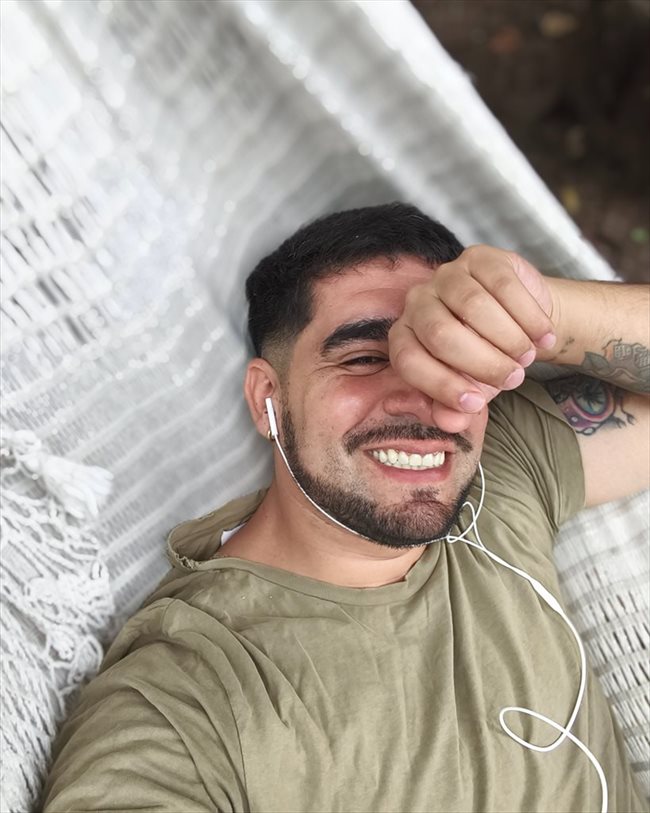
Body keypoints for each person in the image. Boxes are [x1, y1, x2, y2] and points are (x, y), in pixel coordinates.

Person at [43, 203, 649, 812]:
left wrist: (543, 314)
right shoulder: (190, 691)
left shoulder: (503, 466)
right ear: (266, 398)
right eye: (363, 359)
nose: (422, 400)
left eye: (450, 360)